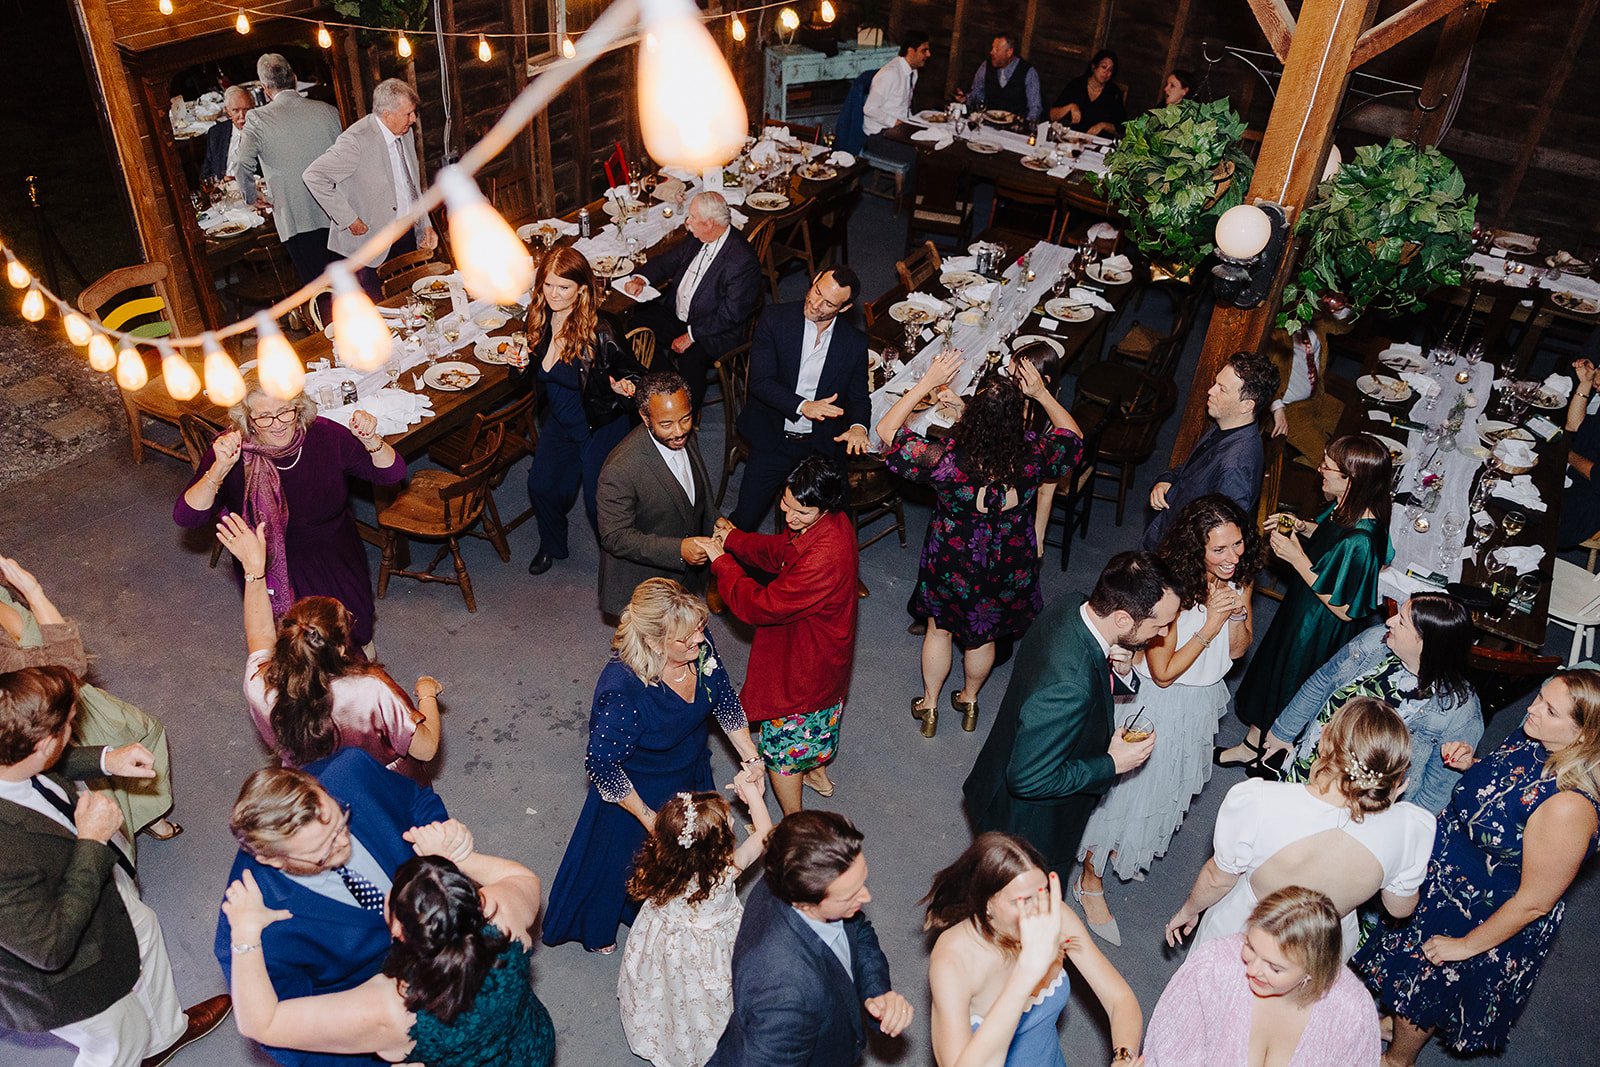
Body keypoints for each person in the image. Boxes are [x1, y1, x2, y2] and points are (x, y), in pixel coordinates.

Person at [1354, 670, 1600, 1063]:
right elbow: (1511, 791)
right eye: (1539, 697)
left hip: (1480, 912)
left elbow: (1534, 902)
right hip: (1448, 874)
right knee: (1407, 973)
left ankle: (1397, 1059)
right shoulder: (1535, 736)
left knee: (1425, 985)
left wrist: (1464, 947)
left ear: (1584, 735)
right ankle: (1395, 1025)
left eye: (1549, 709)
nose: (1531, 710)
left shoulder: (1569, 808)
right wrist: (1474, 765)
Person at [0, 666, 231, 1067]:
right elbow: (50, 947)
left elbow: (42, 765)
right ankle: (142, 1044)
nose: (76, 729)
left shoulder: (12, 751)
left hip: (82, 890)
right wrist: (92, 841)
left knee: (144, 927)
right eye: (70, 725)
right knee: (121, 1040)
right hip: (58, 976)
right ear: (41, 744)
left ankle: (164, 1038)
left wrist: (109, 759)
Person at [542, 578, 762, 953]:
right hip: (637, 790)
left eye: (700, 630)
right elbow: (601, 765)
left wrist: (750, 757)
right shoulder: (623, 691)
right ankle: (599, 927)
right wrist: (649, 818)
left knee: (686, 864)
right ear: (654, 642)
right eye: (686, 638)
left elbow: (724, 700)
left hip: (690, 771)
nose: (699, 641)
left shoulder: (700, 650)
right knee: (621, 863)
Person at [1077, 495, 1261, 943]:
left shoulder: (1239, 575)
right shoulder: (1171, 586)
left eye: (1237, 545)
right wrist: (1210, 625)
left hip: (1200, 702)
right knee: (1126, 793)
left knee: (1168, 786)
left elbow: (1238, 651)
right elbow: (1161, 673)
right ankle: (1089, 878)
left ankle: (1121, 852)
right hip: (1159, 702)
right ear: (1195, 548)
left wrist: (1235, 614)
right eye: (1219, 550)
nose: (1231, 558)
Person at [877, 353, 1084, 737]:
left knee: (940, 630)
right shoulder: (1032, 455)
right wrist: (1041, 394)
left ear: (972, 420)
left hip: (953, 559)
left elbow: (888, 430)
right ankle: (970, 700)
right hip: (1007, 560)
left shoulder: (947, 461)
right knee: (982, 634)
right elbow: (1072, 436)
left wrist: (926, 382)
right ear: (1018, 418)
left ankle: (930, 706)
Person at [221, 833, 554, 1066]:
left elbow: (261, 1023)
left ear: (397, 929)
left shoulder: (391, 1008)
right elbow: (524, 878)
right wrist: (464, 857)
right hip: (530, 1047)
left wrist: (245, 932)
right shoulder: (504, 915)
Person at [215, 751, 450, 1067]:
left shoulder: (351, 771)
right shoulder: (256, 929)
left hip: (451, 950)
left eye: (341, 824)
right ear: (270, 859)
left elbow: (414, 800)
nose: (343, 844)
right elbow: (294, 1041)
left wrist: (446, 845)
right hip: (384, 1013)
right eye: (321, 853)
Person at [1166, 697, 1436, 961]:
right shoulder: (1410, 830)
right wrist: (1388, 815)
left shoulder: (1260, 802)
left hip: (1248, 932)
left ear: (1325, 741)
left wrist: (1189, 910)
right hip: (1321, 951)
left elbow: (1218, 878)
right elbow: (1399, 908)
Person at [963, 551, 1181, 874]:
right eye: (1159, 624)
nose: (1163, 634)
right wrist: (1112, 763)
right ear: (1122, 618)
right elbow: (1027, 778)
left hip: (999, 776)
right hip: (1028, 830)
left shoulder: (1072, 606)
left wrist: (1114, 668)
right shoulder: (1069, 687)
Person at [175, 385, 404, 653]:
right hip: (268, 560)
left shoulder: (325, 434)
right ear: (248, 420)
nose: (278, 424)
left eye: (285, 412)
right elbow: (187, 516)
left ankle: (363, 681)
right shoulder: (233, 451)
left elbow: (392, 474)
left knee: (356, 627)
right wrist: (218, 469)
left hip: (336, 550)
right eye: (264, 416)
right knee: (302, 646)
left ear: (299, 408)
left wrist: (371, 441)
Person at [218, 513, 442, 781]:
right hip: (381, 788)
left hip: (315, 792)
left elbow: (259, 634)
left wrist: (254, 570)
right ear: (339, 649)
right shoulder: (370, 689)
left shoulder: (261, 686)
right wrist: (427, 693)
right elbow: (426, 749)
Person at [1217, 434, 1392, 766]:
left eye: (1328, 466)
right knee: (1273, 672)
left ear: (1350, 479)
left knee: (1290, 684)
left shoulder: (1363, 542)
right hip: (1302, 609)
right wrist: (1304, 527)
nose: (1320, 470)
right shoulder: (1345, 505)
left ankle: (1270, 761)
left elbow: (1344, 610)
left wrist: (1297, 559)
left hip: (1318, 627)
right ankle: (1251, 745)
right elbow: (1329, 538)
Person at [700, 456, 859, 815]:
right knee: (816, 728)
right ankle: (818, 775)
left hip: (804, 664)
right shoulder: (826, 521)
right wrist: (736, 540)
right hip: (823, 654)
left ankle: (793, 822)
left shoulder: (824, 555)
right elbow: (781, 552)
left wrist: (722, 562)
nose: (789, 519)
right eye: (786, 506)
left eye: (800, 513)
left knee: (783, 752)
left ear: (825, 506)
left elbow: (761, 606)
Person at [707, 811, 914, 1066]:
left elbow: (856, 932)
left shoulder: (793, 871)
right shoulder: (785, 996)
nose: (867, 897)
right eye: (850, 896)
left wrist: (876, 991)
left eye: (863, 882)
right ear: (806, 902)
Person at [0, 554, 180, 841]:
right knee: (97, 778)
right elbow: (67, 665)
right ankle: (123, 829)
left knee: (140, 734)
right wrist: (35, 593)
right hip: (44, 707)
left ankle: (148, 814)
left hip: (62, 692)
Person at [924, 833, 1142, 1067]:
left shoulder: (1052, 914)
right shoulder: (953, 961)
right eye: (1022, 900)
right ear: (987, 904)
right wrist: (1025, 975)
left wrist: (1123, 1058)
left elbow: (1119, 998)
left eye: (1042, 891)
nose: (1039, 908)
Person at [1259, 593, 1482, 807]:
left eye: (1402, 622)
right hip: (1312, 765)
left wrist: (1401, 826)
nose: (1389, 621)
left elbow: (1436, 791)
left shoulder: (1460, 712)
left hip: (1363, 808)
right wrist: (1283, 732)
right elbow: (1323, 680)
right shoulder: (1376, 640)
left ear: (1426, 644)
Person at [618, 777, 775, 1067]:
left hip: (666, 943)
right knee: (711, 1001)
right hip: (712, 949)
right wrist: (753, 796)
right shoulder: (725, 872)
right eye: (728, 825)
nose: (732, 826)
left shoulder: (663, 860)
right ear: (715, 847)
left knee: (669, 991)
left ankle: (666, 1038)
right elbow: (764, 833)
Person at [1144, 887, 1382, 1066]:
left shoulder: (1352, 1013)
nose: (1252, 969)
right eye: (1250, 946)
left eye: (1274, 968)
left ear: (1312, 971)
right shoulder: (1213, 968)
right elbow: (1168, 1052)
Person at [519, 245, 643, 576]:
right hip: (561, 421)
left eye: (563, 287)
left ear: (582, 289)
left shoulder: (601, 329)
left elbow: (634, 373)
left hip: (599, 423)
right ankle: (552, 545)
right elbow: (530, 371)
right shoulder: (540, 318)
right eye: (547, 285)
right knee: (541, 486)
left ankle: (620, 572)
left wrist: (627, 386)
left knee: (598, 504)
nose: (553, 294)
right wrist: (517, 365)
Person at [731, 268, 870, 532]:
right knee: (744, 521)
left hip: (820, 447)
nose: (816, 304)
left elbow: (859, 397)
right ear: (815, 279)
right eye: (816, 291)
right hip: (773, 439)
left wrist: (858, 427)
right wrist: (804, 406)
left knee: (831, 526)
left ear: (845, 308)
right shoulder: (775, 318)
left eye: (828, 303)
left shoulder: (854, 343)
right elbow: (760, 382)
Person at [625, 191, 762, 414]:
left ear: (709, 224)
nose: (687, 222)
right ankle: (669, 383)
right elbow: (670, 260)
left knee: (692, 358)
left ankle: (684, 414)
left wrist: (691, 335)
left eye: (691, 217)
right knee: (636, 326)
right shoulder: (698, 238)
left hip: (713, 330)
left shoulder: (742, 261)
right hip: (679, 315)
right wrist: (642, 277)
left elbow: (730, 314)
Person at [302, 78, 439, 299]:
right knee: (382, 310)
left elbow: (411, 184)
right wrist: (348, 219)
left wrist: (425, 224)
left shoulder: (405, 133)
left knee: (415, 301)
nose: (413, 120)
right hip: (371, 243)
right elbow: (313, 176)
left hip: (405, 236)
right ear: (387, 115)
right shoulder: (355, 141)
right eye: (408, 114)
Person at [595, 372, 717, 618]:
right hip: (644, 586)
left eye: (686, 418)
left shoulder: (684, 436)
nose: (679, 431)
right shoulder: (620, 469)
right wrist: (678, 550)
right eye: (666, 424)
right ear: (644, 417)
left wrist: (715, 519)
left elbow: (695, 494)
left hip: (683, 579)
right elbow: (614, 537)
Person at [1142, 350, 1278, 551]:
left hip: (1174, 555)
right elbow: (1188, 471)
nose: (1210, 391)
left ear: (1246, 405)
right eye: (1216, 383)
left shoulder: (1237, 467)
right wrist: (1166, 480)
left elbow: (1217, 540)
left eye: (1222, 389)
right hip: (1164, 530)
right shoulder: (1223, 424)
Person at [234, 54, 345, 289]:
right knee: (351, 287)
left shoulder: (257, 118)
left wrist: (252, 197)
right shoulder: (328, 110)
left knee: (321, 294)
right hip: (339, 214)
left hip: (297, 219)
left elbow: (242, 164)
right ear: (294, 78)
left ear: (265, 89)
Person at [955, 32, 1041, 124]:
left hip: (1013, 129)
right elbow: (977, 94)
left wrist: (1025, 126)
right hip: (988, 124)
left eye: (996, 49)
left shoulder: (1028, 72)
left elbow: (1035, 107)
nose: (991, 52)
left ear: (1009, 52)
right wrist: (965, 99)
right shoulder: (986, 66)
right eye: (992, 48)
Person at [1558, 355, 1600, 547]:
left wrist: (1567, 455)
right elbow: (1574, 425)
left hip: (1585, 504)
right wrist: (1585, 383)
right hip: (1571, 477)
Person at [862, 31, 932, 136]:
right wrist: (896, 123)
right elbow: (869, 109)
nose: (928, 54)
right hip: (881, 132)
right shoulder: (890, 74)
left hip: (900, 126)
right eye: (924, 51)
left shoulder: (913, 72)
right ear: (911, 51)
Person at [1047, 49, 1126, 136]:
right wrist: (1070, 107)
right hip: (1070, 139)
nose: (1106, 72)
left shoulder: (1114, 93)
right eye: (1103, 67)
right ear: (1094, 67)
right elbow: (1052, 115)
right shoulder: (1077, 84)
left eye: (1110, 70)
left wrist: (1103, 125)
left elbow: (1121, 128)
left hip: (1098, 143)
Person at [202, 86, 254, 183]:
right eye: (235, 110)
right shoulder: (216, 133)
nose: (242, 116)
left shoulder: (262, 132)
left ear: (253, 107)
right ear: (227, 110)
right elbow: (206, 174)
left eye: (246, 109)